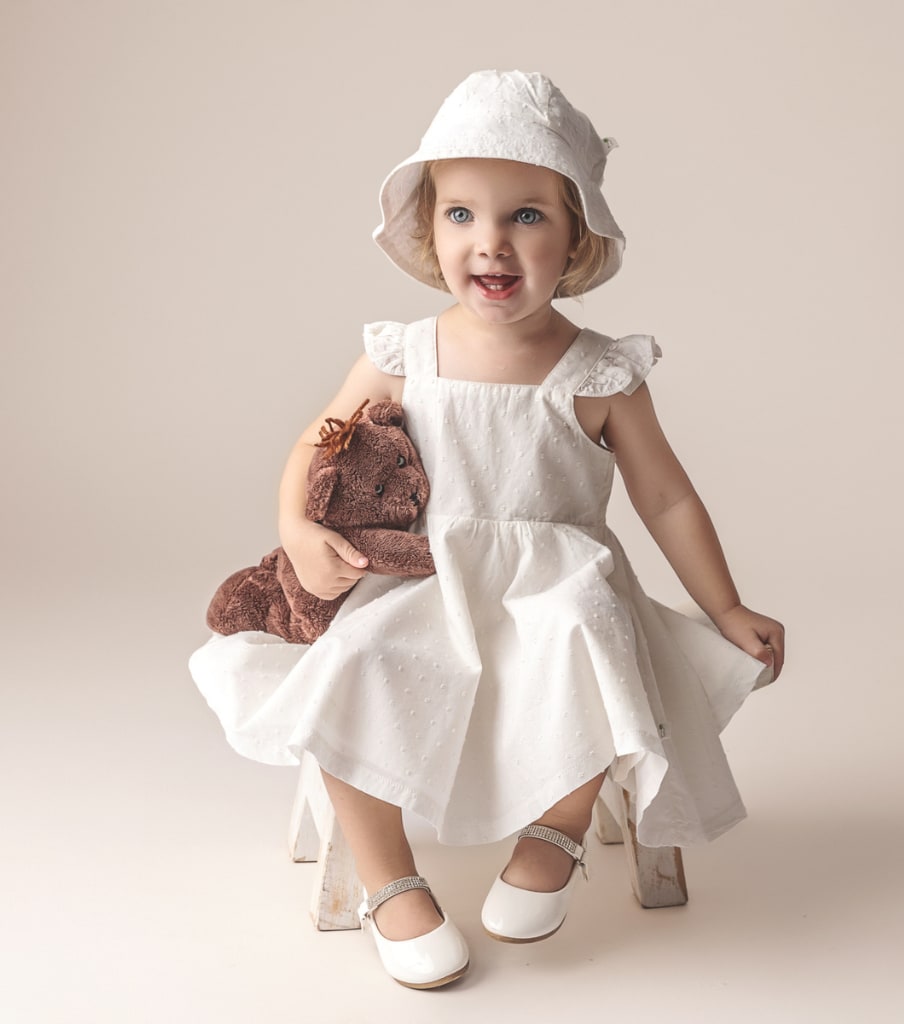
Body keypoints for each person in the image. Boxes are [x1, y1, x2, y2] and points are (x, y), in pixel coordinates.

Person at [190, 69, 785, 990]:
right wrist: (297, 529)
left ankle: (556, 830)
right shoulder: (404, 355)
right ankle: (389, 879)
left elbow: (667, 499)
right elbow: (317, 445)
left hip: (554, 581)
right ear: (431, 230)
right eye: (462, 214)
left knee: (591, 640)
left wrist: (727, 604)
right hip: (430, 579)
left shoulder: (600, 372)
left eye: (527, 216)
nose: (491, 242)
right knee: (361, 663)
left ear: (575, 235)